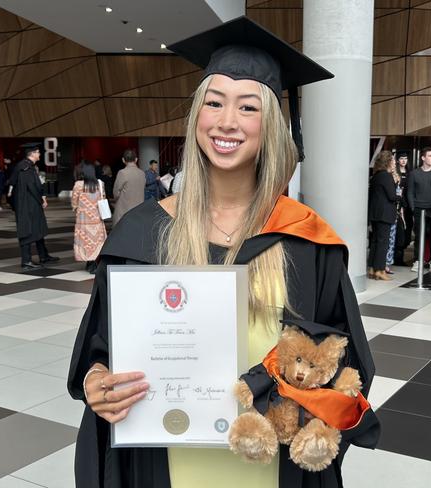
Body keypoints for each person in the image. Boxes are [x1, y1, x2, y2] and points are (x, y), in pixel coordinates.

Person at [68, 17, 379, 488]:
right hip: (165, 460)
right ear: (197, 117)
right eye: (214, 103)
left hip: (272, 464)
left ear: (270, 124)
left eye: (248, 107)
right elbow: (102, 348)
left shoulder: (304, 239)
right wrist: (98, 380)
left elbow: (346, 364)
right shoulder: (143, 231)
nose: (226, 121)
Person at [9, 142, 60, 271]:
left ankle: (43, 255)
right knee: (27, 230)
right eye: (38, 152)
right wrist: (41, 199)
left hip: (30, 203)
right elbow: (32, 187)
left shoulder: (27, 166)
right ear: (32, 154)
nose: (40, 154)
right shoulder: (25, 168)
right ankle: (26, 260)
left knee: (37, 229)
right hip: (27, 205)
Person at [368, 150, 399, 281]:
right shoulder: (386, 176)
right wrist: (400, 196)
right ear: (388, 161)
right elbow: (392, 196)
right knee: (383, 243)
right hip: (384, 214)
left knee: (375, 241)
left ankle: (372, 268)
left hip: (375, 214)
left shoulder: (375, 176)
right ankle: (380, 270)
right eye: (392, 160)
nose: (394, 162)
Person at [72, 161, 107, 273]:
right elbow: (103, 198)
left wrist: (78, 208)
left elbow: (74, 203)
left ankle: (89, 263)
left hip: (83, 220)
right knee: (96, 241)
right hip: (97, 218)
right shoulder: (100, 184)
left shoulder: (78, 185)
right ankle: (93, 264)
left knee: (85, 241)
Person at [407, 147, 431, 273]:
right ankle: (417, 261)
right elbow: (410, 192)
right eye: (430, 156)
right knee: (419, 236)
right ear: (423, 158)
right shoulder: (414, 173)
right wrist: (413, 208)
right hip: (419, 209)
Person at [112, 149, 146, 226]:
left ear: (123, 160)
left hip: (124, 210)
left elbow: (116, 192)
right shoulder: (142, 173)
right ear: (136, 159)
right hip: (139, 210)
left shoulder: (122, 173)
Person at [393, 152, 412, 266]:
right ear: (397, 160)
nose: (404, 161)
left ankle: (400, 256)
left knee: (407, 233)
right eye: (401, 158)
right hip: (398, 206)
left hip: (408, 206)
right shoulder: (395, 173)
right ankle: (397, 258)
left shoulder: (410, 173)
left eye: (405, 158)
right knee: (398, 233)